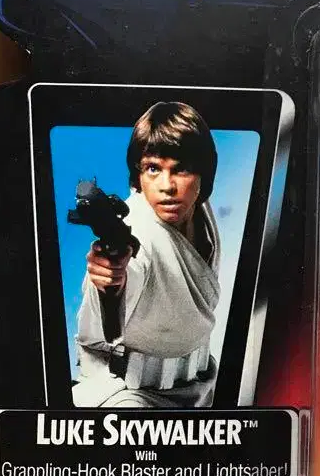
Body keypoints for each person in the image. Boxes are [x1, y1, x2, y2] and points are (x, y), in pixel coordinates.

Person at [72, 101, 221, 408]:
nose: (167, 186)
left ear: (203, 175)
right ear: (138, 175)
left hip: (200, 388)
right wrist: (110, 281)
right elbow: (127, 272)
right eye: (153, 168)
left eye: (181, 169)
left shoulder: (199, 212)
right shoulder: (139, 229)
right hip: (130, 396)